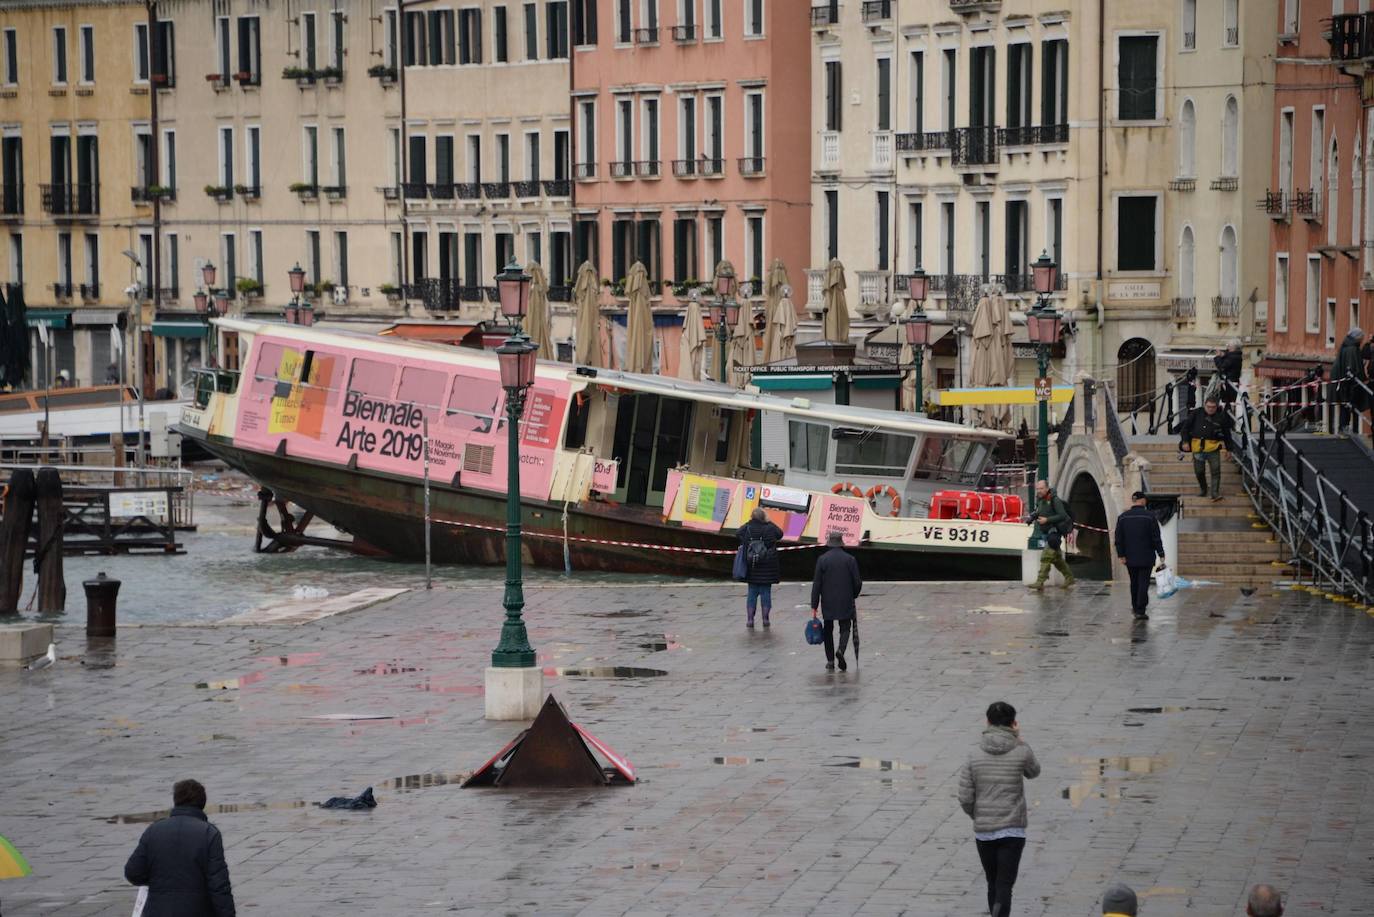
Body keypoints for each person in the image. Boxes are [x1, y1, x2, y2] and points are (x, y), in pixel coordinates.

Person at [957, 701, 1041, 917]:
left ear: (987, 722)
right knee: (1005, 885)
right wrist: (1020, 739)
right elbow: (1034, 772)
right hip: (1012, 830)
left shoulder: (973, 755)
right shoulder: (1020, 750)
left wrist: (977, 815)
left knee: (992, 882)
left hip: (984, 832)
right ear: (1013, 723)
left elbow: (965, 796)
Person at [124, 779, 236, 917]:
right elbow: (218, 885)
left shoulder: (154, 830)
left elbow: (133, 872)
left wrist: (159, 881)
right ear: (202, 803)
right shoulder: (209, 833)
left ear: (176, 801)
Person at [810, 530, 862, 672]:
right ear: (841, 543)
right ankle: (841, 650)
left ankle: (831, 661)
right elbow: (857, 582)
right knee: (845, 627)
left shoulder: (822, 560)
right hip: (845, 599)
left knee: (828, 629)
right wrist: (853, 595)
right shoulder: (850, 559)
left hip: (828, 600)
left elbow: (817, 584)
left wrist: (814, 605)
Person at [1114, 491, 1165, 620]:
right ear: (1143, 501)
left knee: (1134, 582)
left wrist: (1121, 555)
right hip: (1146, 556)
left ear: (1133, 501)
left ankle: (1135, 607)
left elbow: (1118, 538)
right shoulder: (1150, 517)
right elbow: (1156, 538)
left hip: (1129, 557)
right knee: (1143, 582)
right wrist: (1161, 553)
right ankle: (1141, 610)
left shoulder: (1123, 517)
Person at [1179, 396, 1234, 501]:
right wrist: (1185, 441)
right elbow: (1185, 428)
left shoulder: (1221, 417)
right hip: (1198, 447)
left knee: (1216, 470)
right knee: (1199, 471)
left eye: (1213, 407)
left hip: (1213, 448)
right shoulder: (1196, 413)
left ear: (1216, 406)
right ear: (1205, 405)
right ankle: (1204, 489)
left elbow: (1227, 435)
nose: (1210, 409)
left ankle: (1215, 493)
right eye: (1208, 407)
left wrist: (1229, 449)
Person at [737, 507, 783, 628]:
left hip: (752, 567)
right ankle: (765, 619)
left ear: (752, 517)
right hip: (767, 568)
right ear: (763, 517)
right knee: (765, 593)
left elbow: (738, 533)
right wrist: (769, 521)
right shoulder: (770, 528)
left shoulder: (747, 528)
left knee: (751, 594)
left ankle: (750, 620)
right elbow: (780, 534)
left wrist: (749, 522)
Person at [1028, 479, 1075, 590]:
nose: (1039, 491)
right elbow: (1039, 511)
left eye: (1041, 488)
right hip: (1046, 532)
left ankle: (1040, 582)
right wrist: (1032, 518)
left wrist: (1047, 520)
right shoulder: (1040, 500)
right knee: (1056, 559)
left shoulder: (1055, 500)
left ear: (1047, 488)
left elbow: (1062, 515)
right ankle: (1070, 578)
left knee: (1046, 556)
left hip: (1054, 532)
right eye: (1037, 489)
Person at [1331, 326, 1368, 433]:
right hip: (1349, 385)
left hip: (1344, 383)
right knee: (1349, 404)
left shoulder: (1347, 346)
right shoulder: (1352, 348)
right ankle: (1347, 427)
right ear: (1357, 337)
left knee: (1346, 405)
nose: (1362, 340)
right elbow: (1352, 367)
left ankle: (1345, 426)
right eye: (1362, 337)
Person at [1212, 338, 1243, 405]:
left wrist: (1217, 357)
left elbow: (1222, 367)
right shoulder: (1235, 356)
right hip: (1229, 382)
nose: (1227, 348)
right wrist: (1222, 355)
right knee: (1226, 402)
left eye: (1228, 346)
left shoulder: (1233, 358)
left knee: (1227, 402)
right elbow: (1227, 356)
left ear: (1233, 348)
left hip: (1229, 383)